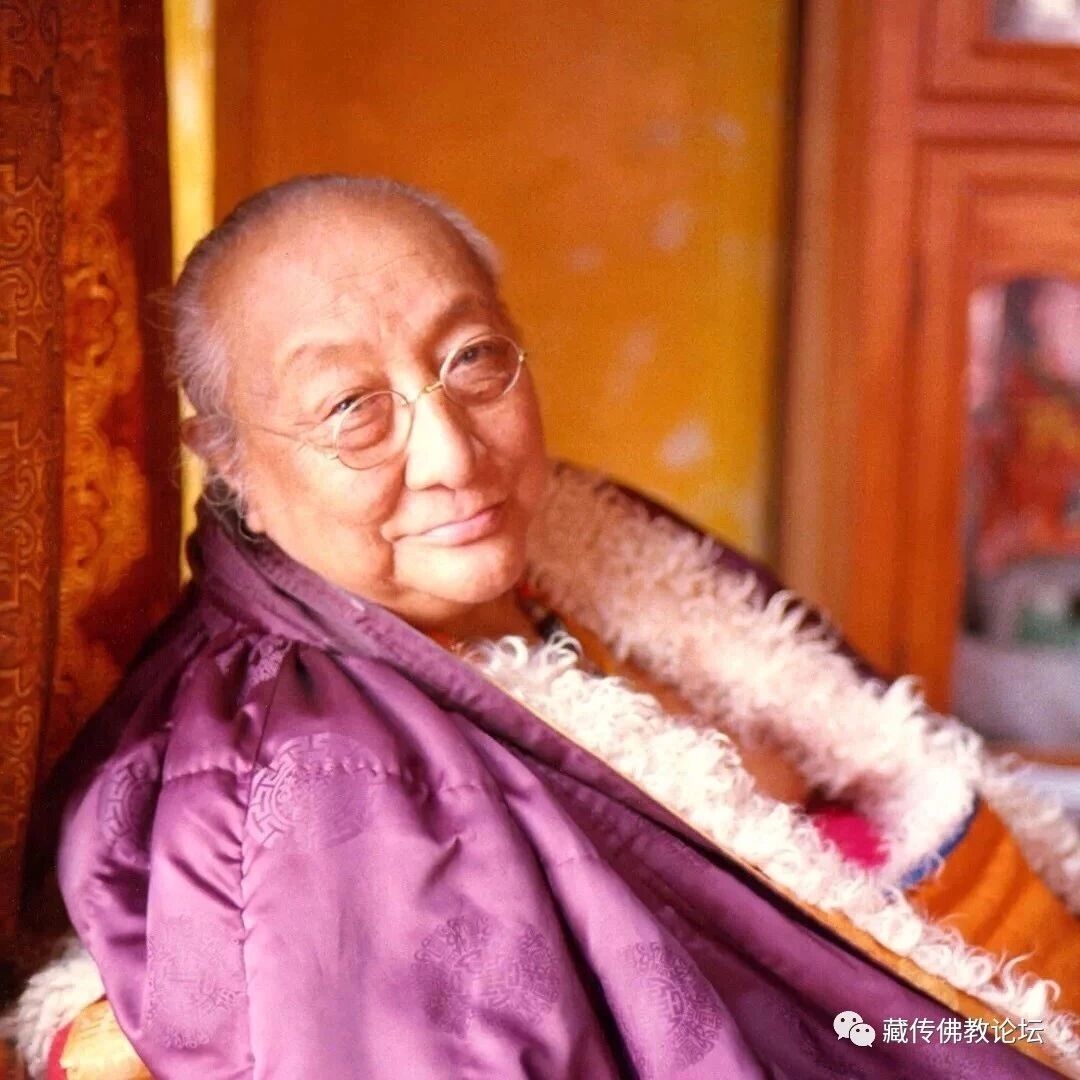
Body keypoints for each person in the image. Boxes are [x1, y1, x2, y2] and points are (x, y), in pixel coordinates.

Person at [7, 176, 1079, 1078]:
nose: (454, 458)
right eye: (350, 408)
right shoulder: (307, 767)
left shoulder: (581, 533)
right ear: (227, 456)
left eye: (474, 359)